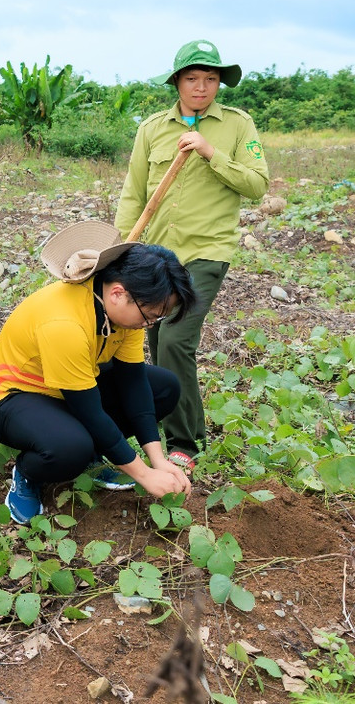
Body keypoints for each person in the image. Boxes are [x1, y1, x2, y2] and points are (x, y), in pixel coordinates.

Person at [0, 221, 197, 524]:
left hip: (70, 389)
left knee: (164, 387)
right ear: (118, 293)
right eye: (151, 316)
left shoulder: (122, 313)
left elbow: (134, 383)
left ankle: (93, 456)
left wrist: (157, 461)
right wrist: (143, 474)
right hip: (12, 397)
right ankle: (28, 472)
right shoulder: (65, 324)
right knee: (70, 447)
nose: (150, 324)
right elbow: (89, 412)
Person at [114, 39, 269, 469]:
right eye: (193, 78)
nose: (202, 87)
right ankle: (153, 429)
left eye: (211, 79)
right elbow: (134, 192)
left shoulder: (238, 126)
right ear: (177, 82)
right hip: (156, 254)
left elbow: (257, 184)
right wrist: (121, 247)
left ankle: (186, 442)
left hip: (206, 251)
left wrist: (209, 151)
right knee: (155, 339)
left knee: (176, 342)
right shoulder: (152, 129)